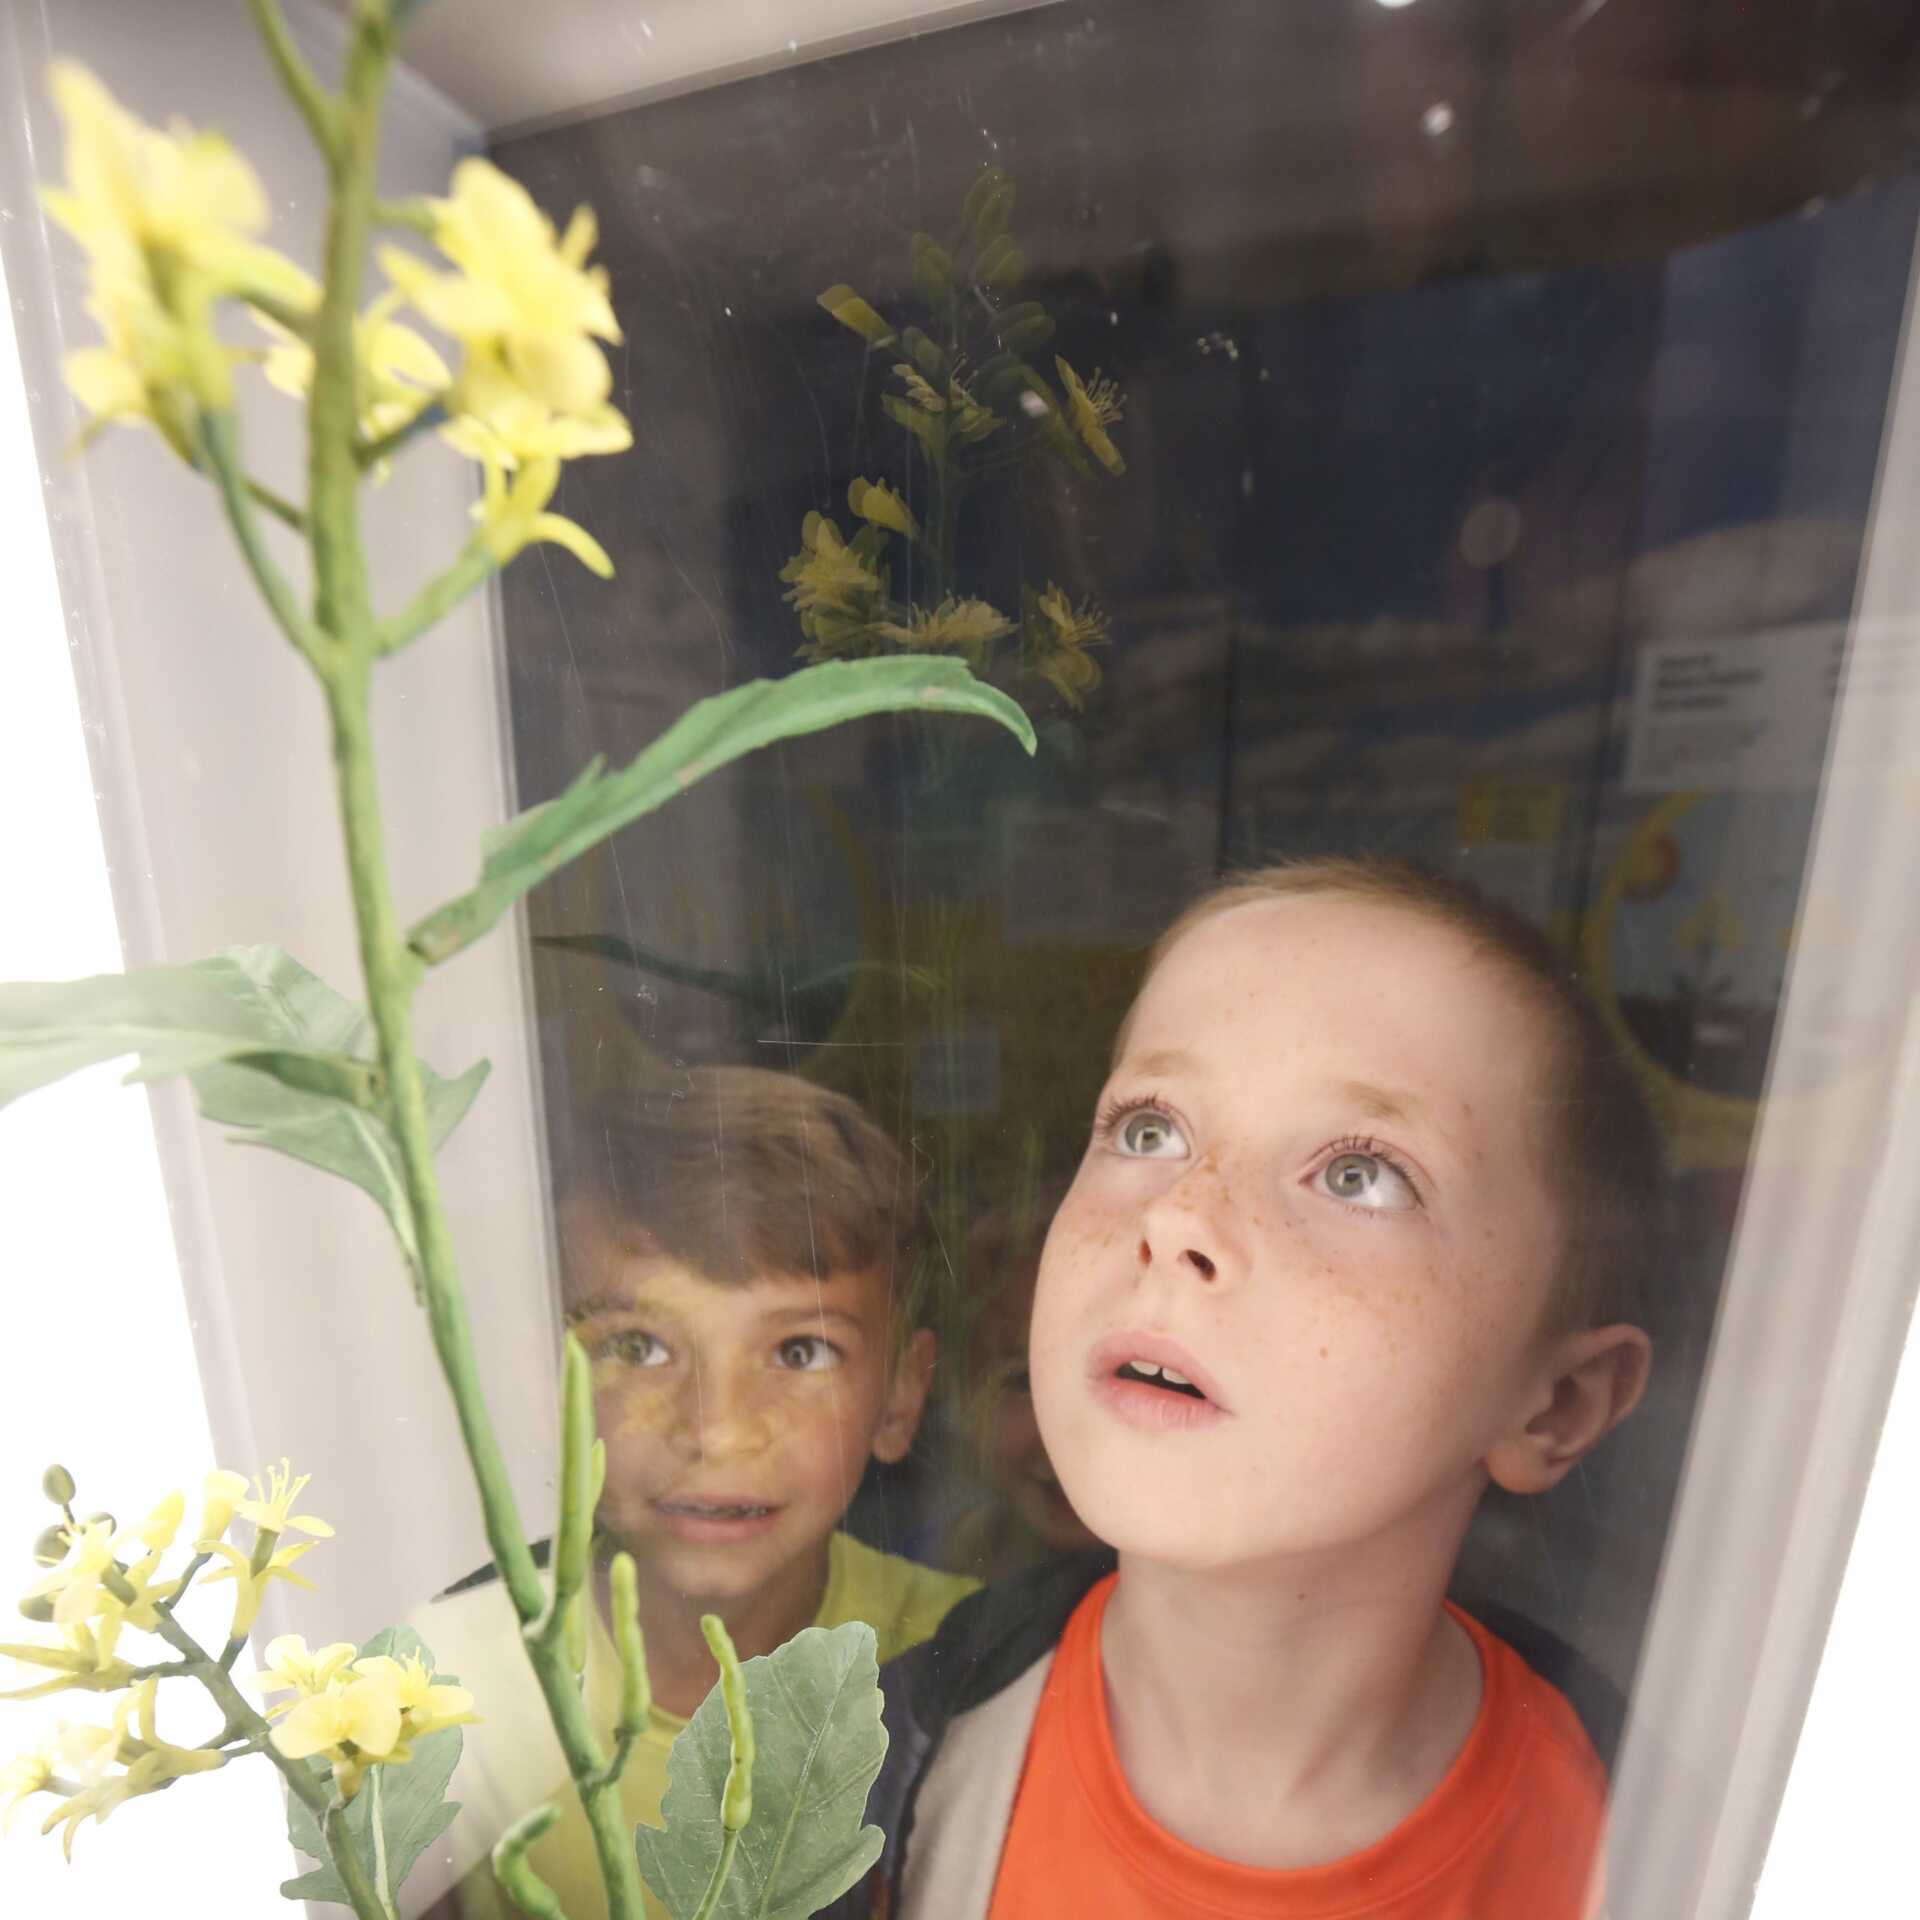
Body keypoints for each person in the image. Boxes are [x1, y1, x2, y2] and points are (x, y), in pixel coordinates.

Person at [827, 857, 1660, 1920]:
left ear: (1557, 1406)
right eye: (1149, 1130)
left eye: (1361, 1174)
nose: (1179, 1213)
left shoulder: (1646, 1855)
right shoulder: (877, 1776)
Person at [418, 1067, 978, 1920]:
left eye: (800, 1353)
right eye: (639, 1346)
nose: (716, 1430)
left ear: (900, 1397)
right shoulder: (441, 1687)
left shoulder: (971, 1664)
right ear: (548, 1390)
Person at [932, 1183, 1105, 1583]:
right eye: (1023, 1381)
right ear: (963, 1394)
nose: (1060, 1437)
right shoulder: (945, 1572)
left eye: (1119, 1376)